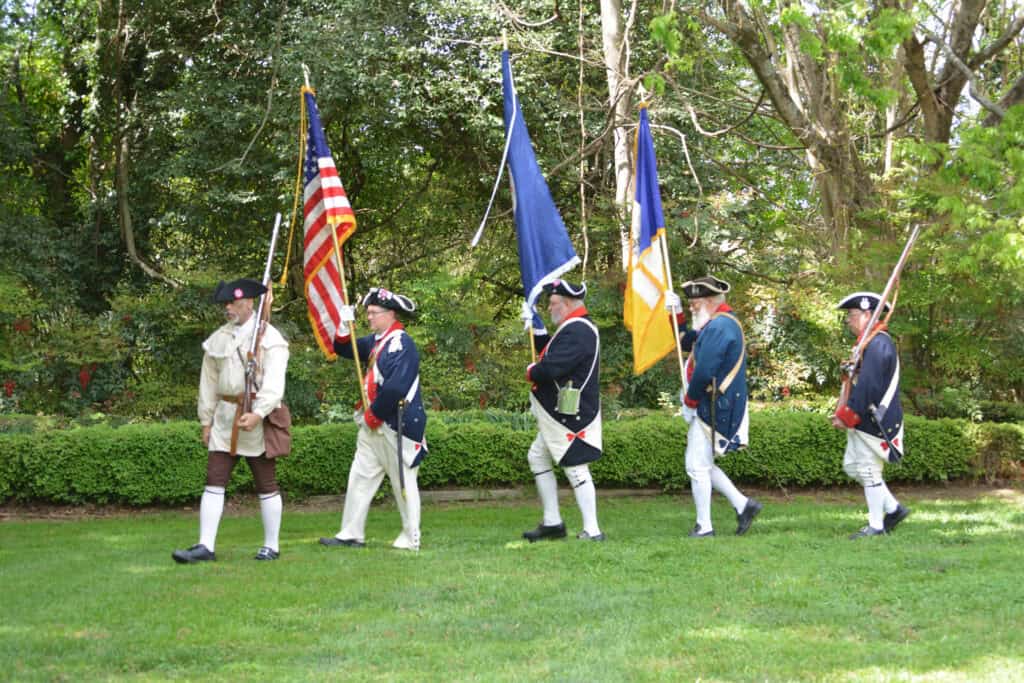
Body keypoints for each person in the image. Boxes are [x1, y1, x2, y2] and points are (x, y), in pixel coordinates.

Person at [173, 278, 289, 563]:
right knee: (214, 479)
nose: (228, 308)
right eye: (226, 303)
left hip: (256, 418)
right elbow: (208, 382)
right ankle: (205, 547)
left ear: (250, 303)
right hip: (224, 418)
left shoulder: (270, 339)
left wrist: (259, 413)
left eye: (234, 303)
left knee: (266, 482)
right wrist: (205, 420)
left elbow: (274, 385)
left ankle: (271, 546)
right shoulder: (219, 338)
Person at [319, 287, 428, 551]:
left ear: (390, 314)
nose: (369, 317)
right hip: (373, 424)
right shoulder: (377, 341)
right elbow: (344, 349)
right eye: (367, 313)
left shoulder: (402, 344)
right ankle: (351, 533)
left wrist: (374, 414)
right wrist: (345, 325)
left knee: (403, 480)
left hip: (395, 424)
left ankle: (411, 537)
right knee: (360, 477)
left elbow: (396, 387)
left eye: (373, 313)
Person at [666, 276, 762, 538]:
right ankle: (744, 505)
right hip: (714, 402)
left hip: (714, 404)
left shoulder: (720, 326)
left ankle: (704, 526)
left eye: (695, 303)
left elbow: (705, 370)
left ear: (709, 302)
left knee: (696, 466)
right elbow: (687, 342)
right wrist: (676, 316)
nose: (692, 307)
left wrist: (690, 401)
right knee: (703, 463)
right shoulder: (715, 323)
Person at [520, 279, 604, 542]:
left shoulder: (578, 330)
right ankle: (553, 522)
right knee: (537, 457)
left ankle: (593, 530)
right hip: (561, 413)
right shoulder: (573, 327)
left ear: (567, 304)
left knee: (576, 468)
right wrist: (537, 329)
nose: (549, 307)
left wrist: (532, 371)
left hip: (570, 415)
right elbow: (553, 351)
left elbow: (553, 366)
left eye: (554, 303)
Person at [831, 292, 911, 539]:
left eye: (852, 315)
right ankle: (894, 509)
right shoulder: (868, 343)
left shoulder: (878, 343)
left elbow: (869, 386)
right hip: (865, 418)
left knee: (867, 470)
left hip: (874, 419)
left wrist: (846, 415)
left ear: (867, 314)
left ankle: (876, 525)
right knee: (853, 466)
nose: (848, 320)